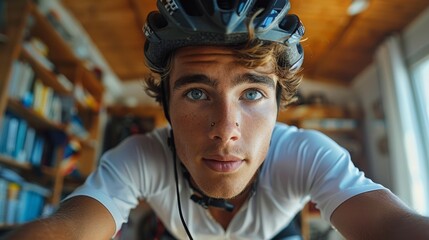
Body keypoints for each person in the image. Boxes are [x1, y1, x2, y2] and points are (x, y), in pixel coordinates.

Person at [4, 0, 429, 239]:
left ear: (279, 104)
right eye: (195, 93)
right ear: (166, 106)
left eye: (251, 93)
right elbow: (70, 228)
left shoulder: (306, 152)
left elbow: (391, 225)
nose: (226, 129)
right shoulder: (141, 155)